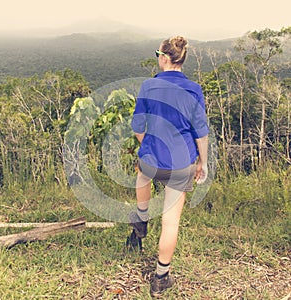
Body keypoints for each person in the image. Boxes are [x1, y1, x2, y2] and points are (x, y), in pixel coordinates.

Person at [129, 36, 209, 297]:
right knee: (170, 222)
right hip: (181, 162)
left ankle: (141, 220)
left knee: (142, 172)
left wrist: (149, 143)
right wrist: (202, 162)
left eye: (157, 55)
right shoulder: (193, 89)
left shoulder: (149, 85)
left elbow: (137, 127)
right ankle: (161, 278)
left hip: (153, 158)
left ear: (163, 58)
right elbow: (200, 132)